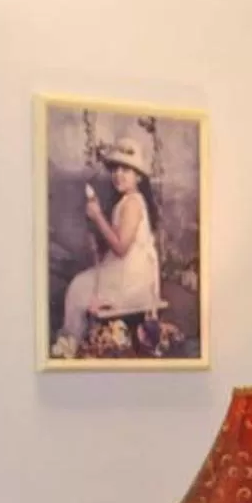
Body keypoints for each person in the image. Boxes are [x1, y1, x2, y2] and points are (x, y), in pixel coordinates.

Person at [61, 136, 163, 352]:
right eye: (115, 169)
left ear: (138, 176)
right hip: (125, 269)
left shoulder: (133, 203)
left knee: (78, 287)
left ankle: (73, 346)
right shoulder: (126, 201)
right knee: (81, 284)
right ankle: (78, 345)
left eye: (126, 170)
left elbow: (121, 248)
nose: (118, 174)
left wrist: (98, 217)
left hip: (133, 278)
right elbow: (116, 242)